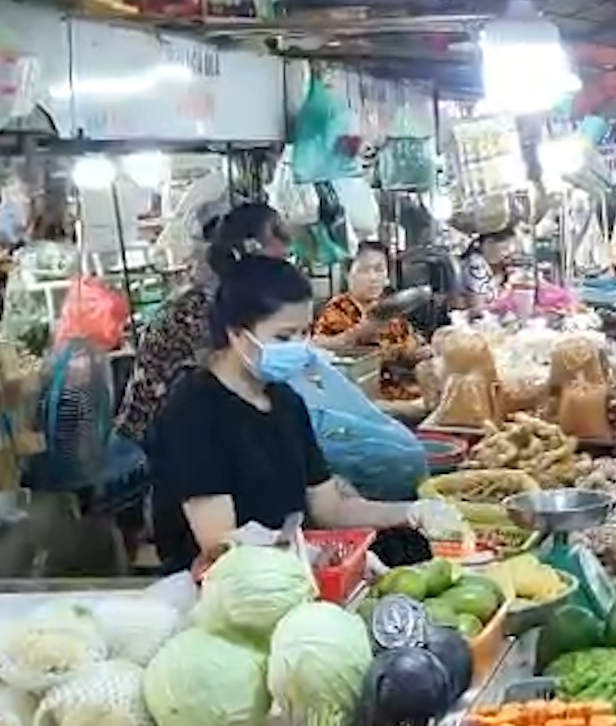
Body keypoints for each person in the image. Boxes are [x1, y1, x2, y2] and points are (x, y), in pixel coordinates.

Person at [146, 251, 462, 575]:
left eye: (303, 333)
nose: (298, 346)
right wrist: (308, 556)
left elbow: (330, 509)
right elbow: (220, 544)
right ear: (236, 333)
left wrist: (412, 513)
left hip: (290, 574)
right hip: (221, 589)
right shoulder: (194, 411)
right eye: (283, 336)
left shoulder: (286, 402)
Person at [116, 203, 288, 443]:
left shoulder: (234, 298)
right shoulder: (201, 308)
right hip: (158, 444)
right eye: (278, 235)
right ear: (247, 251)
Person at [313, 241, 431, 397]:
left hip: (401, 390)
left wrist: (421, 352)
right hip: (363, 398)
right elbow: (319, 345)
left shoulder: (391, 310)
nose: (373, 277)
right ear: (348, 274)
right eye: (364, 270)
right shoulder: (338, 309)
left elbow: (408, 351)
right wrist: (361, 331)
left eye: (379, 270)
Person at [459, 228, 517, 310]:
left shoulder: (484, 264)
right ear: (489, 243)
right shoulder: (476, 265)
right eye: (505, 248)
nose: (507, 254)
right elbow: (477, 307)